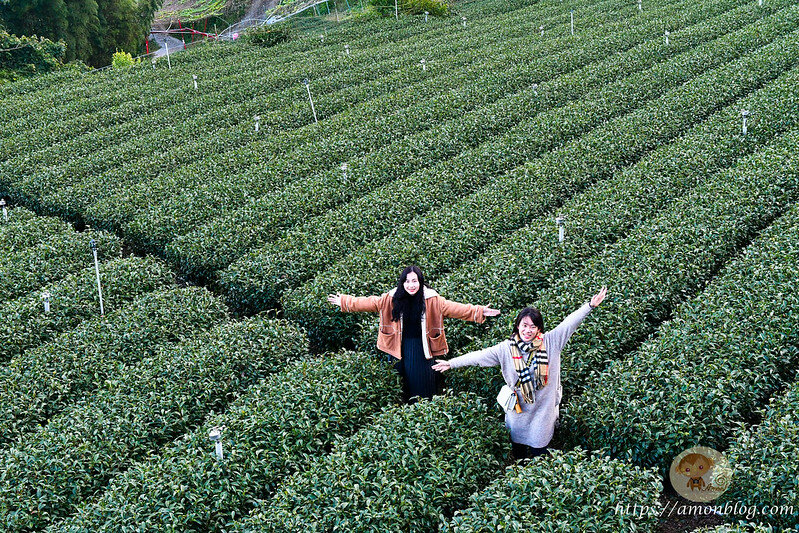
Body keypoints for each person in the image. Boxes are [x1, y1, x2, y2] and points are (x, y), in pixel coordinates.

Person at [432, 287, 607, 460]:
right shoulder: (506, 349)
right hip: (518, 409)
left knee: (540, 449)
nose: (528, 330)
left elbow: (569, 323)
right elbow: (479, 356)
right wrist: (451, 363)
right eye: (524, 325)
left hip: (543, 410)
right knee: (518, 450)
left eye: (533, 326)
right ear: (517, 326)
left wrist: (590, 305)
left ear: (539, 329)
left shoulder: (551, 341)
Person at [327, 265, 501, 403]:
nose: (411, 285)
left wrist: (479, 311)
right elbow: (369, 303)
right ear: (402, 282)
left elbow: (455, 308)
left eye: (415, 281)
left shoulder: (432, 299)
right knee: (400, 385)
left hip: (421, 348)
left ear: (421, 282)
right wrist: (344, 301)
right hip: (397, 347)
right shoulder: (391, 298)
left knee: (422, 387)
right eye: (408, 281)